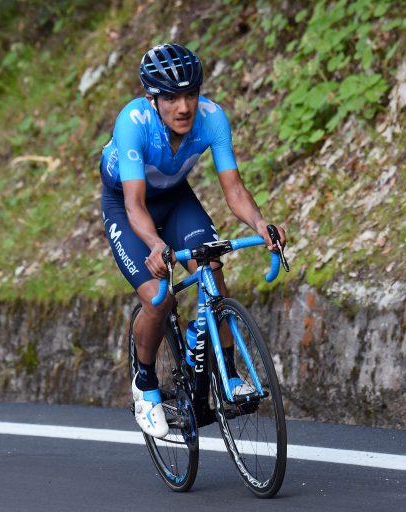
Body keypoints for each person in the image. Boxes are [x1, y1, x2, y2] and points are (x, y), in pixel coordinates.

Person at [99, 43, 287, 437]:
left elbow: (233, 188)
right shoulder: (133, 122)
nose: (183, 106)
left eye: (190, 94)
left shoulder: (212, 118)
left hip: (176, 199)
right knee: (158, 297)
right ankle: (145, 384)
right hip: (127, 205)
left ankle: (229, 374)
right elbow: (134, 204)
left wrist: (260, 224)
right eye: (170, 97)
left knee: (212, 271)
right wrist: (153, 243)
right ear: (152, 99)